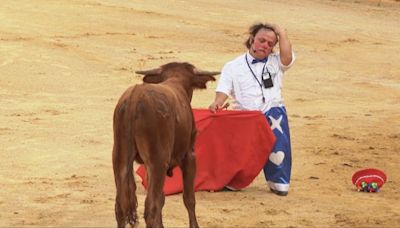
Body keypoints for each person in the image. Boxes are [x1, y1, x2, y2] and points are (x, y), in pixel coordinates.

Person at [209, 22, 295, 196]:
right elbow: (223, 91)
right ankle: (235, 181)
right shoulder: (232, 66)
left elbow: (287, 57)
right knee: (242, 152)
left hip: (273, 111)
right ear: (251, 39)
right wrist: (217, 103)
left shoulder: (276, 61)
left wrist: (281, 32)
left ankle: (278, 182)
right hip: (246, 116)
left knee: (279, 147)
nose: (265, 45)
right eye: (262, 40)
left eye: (270, 44)